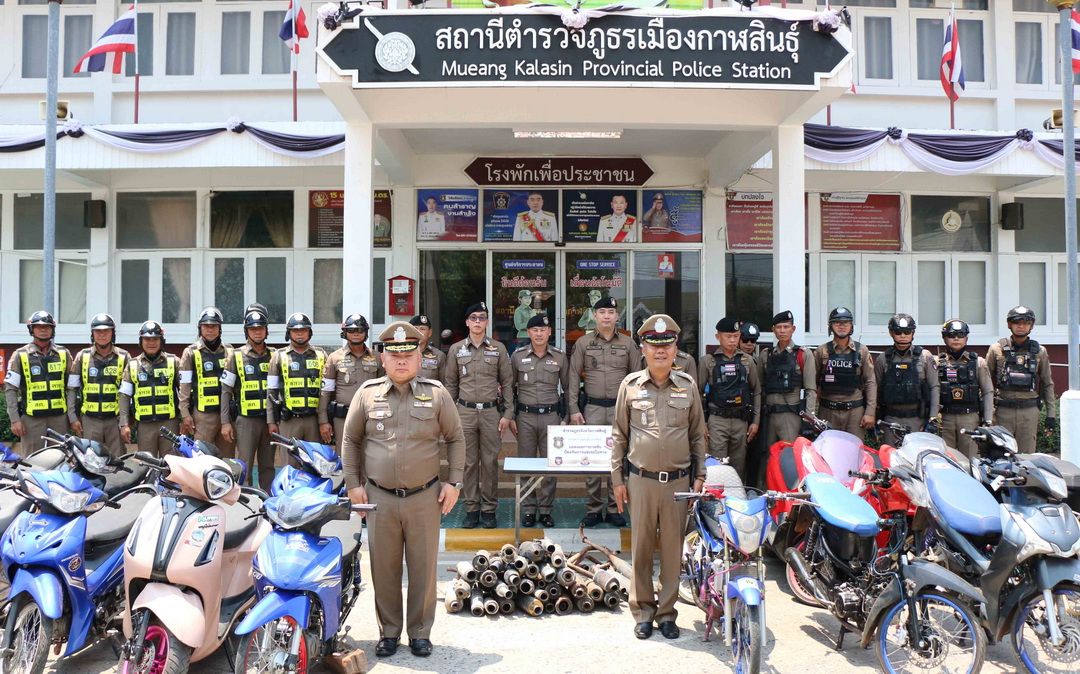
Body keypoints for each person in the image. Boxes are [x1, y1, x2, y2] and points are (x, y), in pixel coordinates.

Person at [342, 321, 465, 659]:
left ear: (419, 358)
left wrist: (453, 482)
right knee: (384, 568)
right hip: (379, 498)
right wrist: (353, 485)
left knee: (423, 569)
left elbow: (456, 438)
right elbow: (351, 441)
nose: (401, 361)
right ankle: (389, 632)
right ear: (383, 359)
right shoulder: (367, 394)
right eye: (394, 356)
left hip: (425, 497)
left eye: (408, 355)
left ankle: (420, 632)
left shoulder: (436, 394)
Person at [611, 314, 706, 641]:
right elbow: (619, 436)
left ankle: (666, 613)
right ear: (643, 348)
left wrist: (700, 473)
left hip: (678, 482)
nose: (660, 351)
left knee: (671, 551)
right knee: (640, 549)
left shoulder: (688, 385)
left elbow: (698, 434)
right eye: (654, 345)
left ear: (675, 349)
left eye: (666, 345)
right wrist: (617, 479)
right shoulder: (630, 386)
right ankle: (643, 612)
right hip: (640, 480)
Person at [568, 296, 641, 528]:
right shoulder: (583, 343)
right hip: (593, 409)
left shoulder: (628, 344)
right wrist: (573, 409)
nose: (607, 316)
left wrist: (635, 410)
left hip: (620, 409)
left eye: (611, 312)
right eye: (602, 312)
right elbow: (573, 377)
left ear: (617, 316)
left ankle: (613, 508)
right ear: (595, 315)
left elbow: (637, 378)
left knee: (617, 458)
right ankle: (593, 508)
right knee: (591, 460)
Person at [442, 302, 515, 529]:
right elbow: (450, 384)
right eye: (473, 317)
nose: (477, 321)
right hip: (464, 412)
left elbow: (507, 383)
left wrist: (508, 413)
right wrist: (450, 414)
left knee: (490, 462)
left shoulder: (498, 348)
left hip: (491, 412)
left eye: (481, 317)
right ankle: (472, 508)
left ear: (487, 322)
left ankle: (489, 509)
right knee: (468, 462)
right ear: (467, 322)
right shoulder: (456, 349)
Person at [510, 314, 568, 528]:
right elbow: (509, 389)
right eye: (535, 330)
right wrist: (510, 416)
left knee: (550, 465)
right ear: (528, 332)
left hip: (551, 417)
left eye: (543, 330)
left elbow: (568, 388)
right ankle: (528, 509)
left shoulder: (560, 357)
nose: (539, 333)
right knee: (526, 463)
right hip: (525, 417)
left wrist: (566, 417)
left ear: (550, 332)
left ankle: (545, 510)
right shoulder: (517, 356)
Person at [985, 305, 1056, 452]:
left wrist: (1051, 415)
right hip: (1002, 410)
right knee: (1001, 454)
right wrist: (985, 413)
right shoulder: (996, 349)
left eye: (1026, 323)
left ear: (1032, 326)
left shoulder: (1040, 351)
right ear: (1009, 324)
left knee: (1027, 456)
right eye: (1017, 322)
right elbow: (985, 382)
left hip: (1029, 411)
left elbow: (1047, 383)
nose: (1021, 326)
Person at [697, 318, 760, 481]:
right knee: (716, 467)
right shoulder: (707, 361)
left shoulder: (747, 361)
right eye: (728, 336)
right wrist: (701, 422)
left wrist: (755, 421)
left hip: (741, 421)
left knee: (738, 467)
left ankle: (737, 495)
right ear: (718, 337)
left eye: (736, 336)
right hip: (717, 421)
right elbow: (697, 393)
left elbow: (757, 391)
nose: (732, 340)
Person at [219, 309, 275, 490]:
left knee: (268, 465)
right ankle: (246, 501)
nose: (257, 332)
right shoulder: (235, 356)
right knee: (244, 464)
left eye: (260, 328)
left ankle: (268, 500)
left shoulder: (275, 355)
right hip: (246, 421)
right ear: (246, 331)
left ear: (266, 331)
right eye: (253, 329)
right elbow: (226, 391)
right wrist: (225, 422)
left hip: (269, 421)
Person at [4, 311, 73, 452]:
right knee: (33, 460)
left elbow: (72, 387)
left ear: (52, 329)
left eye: (47, 327)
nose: (43, 330)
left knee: (61, 458)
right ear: (31, 329)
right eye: (38, 327)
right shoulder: (20, 355)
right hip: (31, 419)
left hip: (59, 418)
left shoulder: (63, 353)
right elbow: (10, 389)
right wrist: (15, 420)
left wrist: (72, 417)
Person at [320, 313, 383, 454]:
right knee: (345, 456)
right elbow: (325, 392)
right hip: (343, 418)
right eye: (351, 330)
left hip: (371, 417)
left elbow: (385, 389)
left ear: (366, 333)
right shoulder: (334, 358)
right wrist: (323, 421)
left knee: (372, 456)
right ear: (344, 332)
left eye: (360, 330)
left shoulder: (377, 358)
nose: (356, 333)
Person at [67, 313, 130, 456]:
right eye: (98, 331)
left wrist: (125, 422)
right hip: (90, 420)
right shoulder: (82, 356)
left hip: (115, 420)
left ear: (113, 333)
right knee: (90, 459)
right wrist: (72, 417)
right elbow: (71, 389)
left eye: (106, 331)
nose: (102, 335)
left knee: (118, 460)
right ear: (92, 334)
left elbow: (128, 392)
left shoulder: (124, 356)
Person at [808, 307, 876, 437]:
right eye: (837, 322)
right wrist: (811, 414)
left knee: (855, 448)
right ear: (830, 326)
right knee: (827, 448)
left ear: (851, 326)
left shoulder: (862, 350)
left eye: (846, 322)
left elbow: (870, 382)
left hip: (854, 412)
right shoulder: (822, 351)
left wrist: (870, 412)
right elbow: (811, 383)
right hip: (827, 411)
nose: (842, 326)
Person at [874, 314, 940, 447]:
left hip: (917, 420)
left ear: (913, 333)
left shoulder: (925, 357)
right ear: (891, 333)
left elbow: (934, 386)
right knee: (891, 456)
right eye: (898, 332)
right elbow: (876, 389)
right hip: (890, 420)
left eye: (907, 332)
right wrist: (875, 418)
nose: (903, 336)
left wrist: (932, 418)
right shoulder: (882, 359)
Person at [267, 313, 327, 455]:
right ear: (289, 333)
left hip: (314, 421)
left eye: (303, 330)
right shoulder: (278, 356)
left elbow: (327, 391)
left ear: (309, 332)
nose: (300, 333)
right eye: (295, 330)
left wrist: (324, 421)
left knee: (316, 461)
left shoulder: (321, 354)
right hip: (289, 421)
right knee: (290, 462)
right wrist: (271, 421)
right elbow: (271, 391)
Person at [179, 307, 235, 456]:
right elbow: (184, 387)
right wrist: (185, 414)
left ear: (220, 328)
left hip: (227, 415)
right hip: (203, 416)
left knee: (227, 458)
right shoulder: (190, 352)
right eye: (206, 326)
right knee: (201, 457)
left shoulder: (230, 351)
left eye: (214, 326)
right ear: (200, 328)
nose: (210, 330)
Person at [119, 321, 181, 457]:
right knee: (147, 463)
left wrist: (186, 418)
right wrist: (124, 424)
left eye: (155, 339)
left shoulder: (174, 361)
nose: (151, 343)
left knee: (171, 463)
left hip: (170, 423)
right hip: (144, 425)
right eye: (147, 339)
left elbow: (185, 392)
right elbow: (124, 395)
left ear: (161, 340)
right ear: (141, 341)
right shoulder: (132, 365)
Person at [935, 319, 994, 457]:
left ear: (966, 338)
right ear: (944, 338)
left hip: (970, 418)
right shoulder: (937, 362)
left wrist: (988, 420)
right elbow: (933, 390)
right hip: (945, 418)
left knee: (969, 460)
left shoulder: (978, 362)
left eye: (960, 335)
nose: (956, 338)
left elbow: (988, 391)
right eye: (952, 335)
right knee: (946, 459)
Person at [757, 311, 811, 445]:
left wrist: (809, 418)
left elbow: (811, 389)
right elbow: (759, 388)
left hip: (791, 415)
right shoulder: (765, 354)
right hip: (769, 416)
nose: (782, 331)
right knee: (768, 454)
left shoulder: (803, 354)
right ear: (773, 330)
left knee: (789, 453)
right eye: (779, 327)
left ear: (793, 329)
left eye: (786, 327)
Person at [411, 315, 445, 382]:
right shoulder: (401, 353)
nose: (418, 332)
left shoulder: (439, 356)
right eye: (415, 329)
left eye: (422, 329)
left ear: (430, 333)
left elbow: (445, 383)